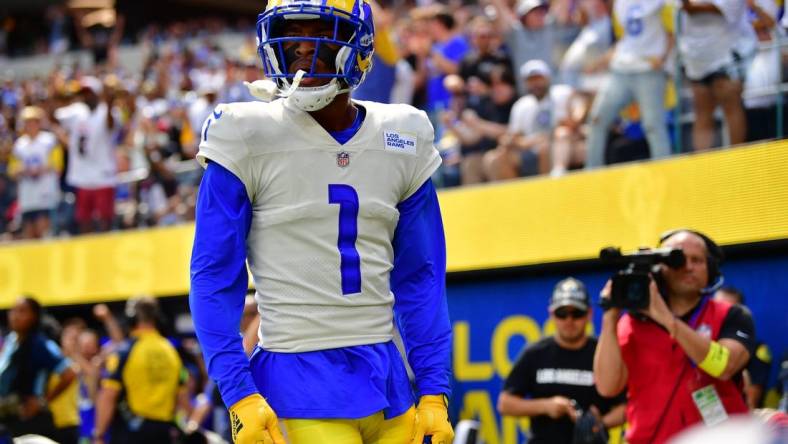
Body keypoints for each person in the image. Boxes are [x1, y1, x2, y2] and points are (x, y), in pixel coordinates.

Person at [189, 0, 454, 443]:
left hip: (388, 382)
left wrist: (434, 389)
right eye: (290, 36)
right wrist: (238, 393)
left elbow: (421, 277)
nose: (299, 49)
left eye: (318, 33)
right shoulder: (245, 132)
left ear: (359, 44)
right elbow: (214, 275)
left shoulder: (403, 133)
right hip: (297, 382)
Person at [594, 229, 755, 443]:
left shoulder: (731, 314)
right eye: (678, 260)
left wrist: (667, 320)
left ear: (710, 268)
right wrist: (610, 317)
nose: (688, 267)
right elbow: (607, 387)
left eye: (697, 260)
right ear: (661, 270)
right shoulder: (631, 324)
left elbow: (725, 366)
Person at [497, 278, 626, 443]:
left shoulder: (603, 352)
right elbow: (505, 403)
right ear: (551, 314)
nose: (569, 320)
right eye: (562, 314)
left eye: (577, 313)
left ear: (589, 314)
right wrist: (546, 406)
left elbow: (627, 407)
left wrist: (599, 423)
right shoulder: (536, 352)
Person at [585, 0, 673, 169]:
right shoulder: (620, 3)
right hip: (621, 69)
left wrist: (663, 58)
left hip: (649, 70)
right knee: (597, 119)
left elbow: (672, 31)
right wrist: (602, 60)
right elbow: (625, 38)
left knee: (653, 125)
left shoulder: (663, 2)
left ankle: (664, 171)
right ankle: (591, 172)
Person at [91, 296, 187, 444]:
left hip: (132, 433)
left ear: (130, 318)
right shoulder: (170, 351)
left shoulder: (124, 351)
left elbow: (108, 395)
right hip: (165, 432)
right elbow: (182, 396)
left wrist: (99, 435)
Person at [0, 297, 76, 441]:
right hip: (9, 420)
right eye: (13, 310)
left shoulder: (40, 345)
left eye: (22, 311)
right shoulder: (11, 340)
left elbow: (70, 373)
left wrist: (42, 401)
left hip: (31, 423)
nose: (15, 316)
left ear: (34, 317)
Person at [677, 0, 747, 150]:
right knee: (702, 113)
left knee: (731, 108)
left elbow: (693, 9)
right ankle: (703, 169)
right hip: (696, 59)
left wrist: (687, 5)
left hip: (725, 56)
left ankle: (739, 162)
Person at [8, 106, 63, 239]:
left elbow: (58, 165)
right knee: (29, 232)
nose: (30, 125)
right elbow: (12, 170)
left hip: (45, 193)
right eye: (27, 122)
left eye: (33, 122)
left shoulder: (49, 141)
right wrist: (22, 170)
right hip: (27, 196)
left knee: (43, 231)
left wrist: (40, 169)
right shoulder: (19, 145)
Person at [714, 285, 773, 409]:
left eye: (726, 309)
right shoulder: (701, 342)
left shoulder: (758, 350)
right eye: (715, 307)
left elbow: (751, 403)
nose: (719, 313)